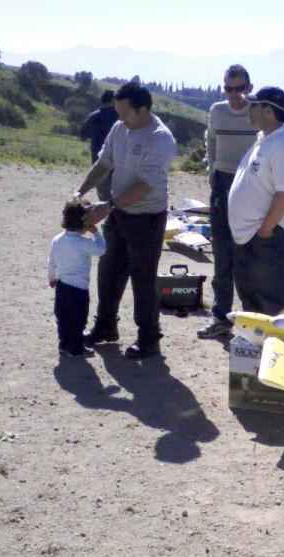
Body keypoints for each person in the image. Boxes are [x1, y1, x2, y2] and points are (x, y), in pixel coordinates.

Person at [76, 81, 177, 360]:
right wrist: (79, 192)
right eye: (117, 111)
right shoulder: (120, 128)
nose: (118, 117)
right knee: (108, 272)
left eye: (123, 111)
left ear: (143, 109)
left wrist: (107, 206)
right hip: (119, 213)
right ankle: (106, 327)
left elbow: (146, 186)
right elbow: (103, 164)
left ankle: (149, 338)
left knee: (143, 278)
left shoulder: (160, 139)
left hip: (147, 218)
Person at [227, 86, 284, 316]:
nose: (249, 109)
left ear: (268, 111)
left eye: (254, 105)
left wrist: (265, 231)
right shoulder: (265, 140)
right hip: (250, 237)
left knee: (273, 305)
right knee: (252, 306)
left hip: (267, 237)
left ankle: (278, 340)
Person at [197, 64, 258, 340]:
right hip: (221, 183)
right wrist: (211, 171)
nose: (233, 94)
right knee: (221, 254)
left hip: (248, 185)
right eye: (228, 89)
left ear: (249, 87)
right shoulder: (217, 111)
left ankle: (250, 320)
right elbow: (210, 140)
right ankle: (221, 317)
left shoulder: (256, 111)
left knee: (246, 256)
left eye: (239, 89)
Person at [47, 198, 106, 358]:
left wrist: (52, 277)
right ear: (85, 223)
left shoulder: (57, 240)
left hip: (61, 286)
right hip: (78, 289)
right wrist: (96, 233)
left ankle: (64, 345)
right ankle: (76, 349)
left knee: (63, 318)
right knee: (78, 320)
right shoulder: (83, 243)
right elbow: (101, 249)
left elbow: (51, 261)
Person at [79, 89, 118, 201]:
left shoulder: (93, 117)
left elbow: (82, 135)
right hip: (118, 163)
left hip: (99, 163)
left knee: (104, 198)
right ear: (113, 100)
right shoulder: (120, 117)